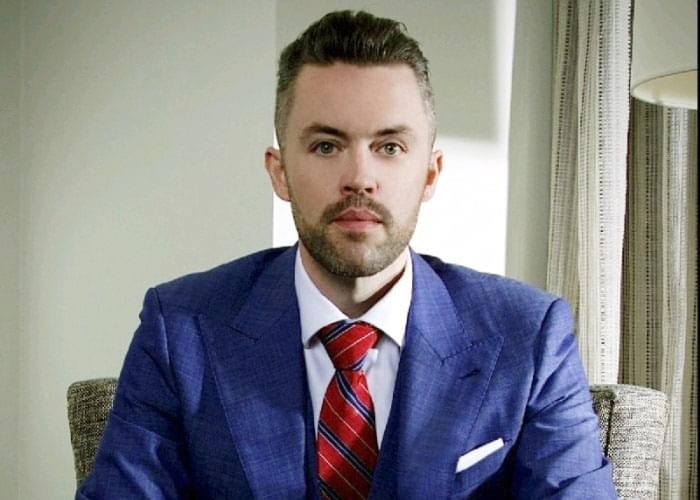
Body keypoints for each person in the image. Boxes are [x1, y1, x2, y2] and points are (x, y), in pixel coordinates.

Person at [77, 10, 616, 499]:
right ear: (279, 172)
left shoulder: (529, 335)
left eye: (390, 147)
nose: (360, 178)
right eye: (326, 146)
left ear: (430, 174)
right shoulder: (181, 330)